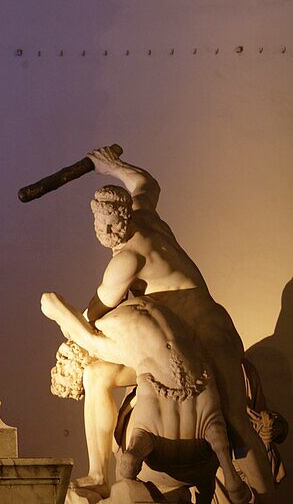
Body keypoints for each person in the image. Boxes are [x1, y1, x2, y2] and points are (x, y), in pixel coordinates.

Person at [66, 145, 273, 499]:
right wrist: (113, 167)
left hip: (209, 335)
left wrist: (69, 341)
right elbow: (146, 184)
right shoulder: (145, 216)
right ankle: (98, 474)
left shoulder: (126, 260)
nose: (105, 232)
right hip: (172, 345)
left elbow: (98, 307)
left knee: (236, 421)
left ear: (123, 218)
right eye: (100, 224)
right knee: (97, 374)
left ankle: (267, 497)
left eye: (112, 224)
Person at [40, 292, 250, 504]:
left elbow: (80, 326)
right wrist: (53, 307)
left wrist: (60, 313)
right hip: (187, 356)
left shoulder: (106, 341)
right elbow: (64, 312)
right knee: (95, 375)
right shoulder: (108, 342)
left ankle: (98, 474)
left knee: (95, 375)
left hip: (182, 354)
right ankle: (98, 475)